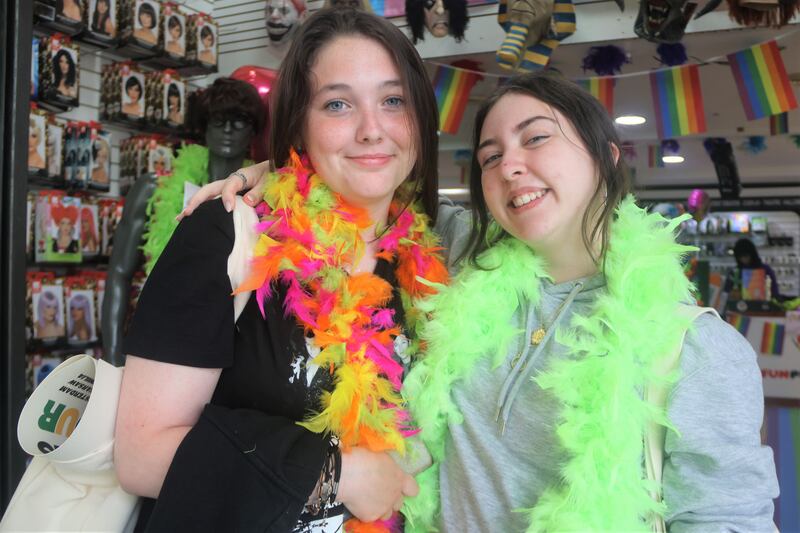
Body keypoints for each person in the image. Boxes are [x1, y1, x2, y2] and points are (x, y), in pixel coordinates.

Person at [190, 71, 779, 532]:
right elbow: (362, 179)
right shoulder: (461, 256)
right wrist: (264, 174)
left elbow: (725, 518)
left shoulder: (693, 348)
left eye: (537, 138)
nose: (511, 165)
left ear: (607, 154)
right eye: (491, 156)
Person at [115, 8, 448, 532]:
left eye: (392, 101)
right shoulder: (226, 234)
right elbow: (140, 456)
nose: (371, 129)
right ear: (300, 122)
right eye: (337, 104)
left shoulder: (428, 256)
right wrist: (334, 475)